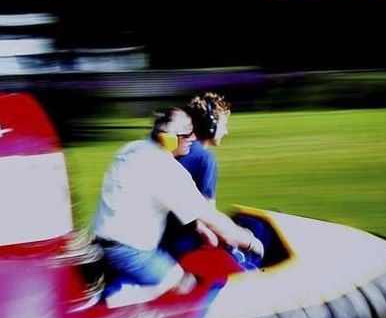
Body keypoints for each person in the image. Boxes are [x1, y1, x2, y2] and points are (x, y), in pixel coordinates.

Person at [91, 107, 264, 299]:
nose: (193, 137)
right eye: (187, 133)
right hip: (130, 252)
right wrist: (249, 241)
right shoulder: (167, 170)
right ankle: (116, 303)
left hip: (100, 241)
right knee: (184, 286)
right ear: (170, 139)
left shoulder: (131, 148)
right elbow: (211, 217)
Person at [162, 92, 232, 255]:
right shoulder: (205, 159)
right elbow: (209, 217)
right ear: (211, 125)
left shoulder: (174, 150)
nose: (226, 131)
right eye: (224, 125)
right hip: (179, 243)